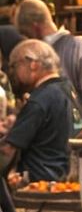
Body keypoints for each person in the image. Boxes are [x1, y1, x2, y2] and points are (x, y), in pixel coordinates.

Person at [14, 0, 82, 138]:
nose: (27, 40)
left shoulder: (78, 47)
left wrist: (77, 140)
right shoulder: (39, 56)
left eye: (27, 34)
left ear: (35, 27)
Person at [1, 41, 73, 182]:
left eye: (14, 66)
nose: (12, 73)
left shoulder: (39, 100)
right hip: (65, 177)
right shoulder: (68, 88)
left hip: (38, 182)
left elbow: (7, 149)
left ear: (32, 64)